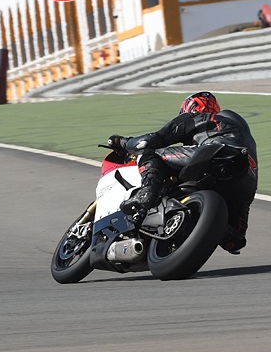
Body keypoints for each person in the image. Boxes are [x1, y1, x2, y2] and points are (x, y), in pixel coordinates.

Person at [108, 91, 258, 254]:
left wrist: (122, 142)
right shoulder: (240, 131)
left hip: (214, 154)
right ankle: (222, 231)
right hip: (247, 178)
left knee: (149, 153)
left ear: (190, 108)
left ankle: (146, 192)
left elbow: (148, 141)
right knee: (235, 240)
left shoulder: (197, 118)